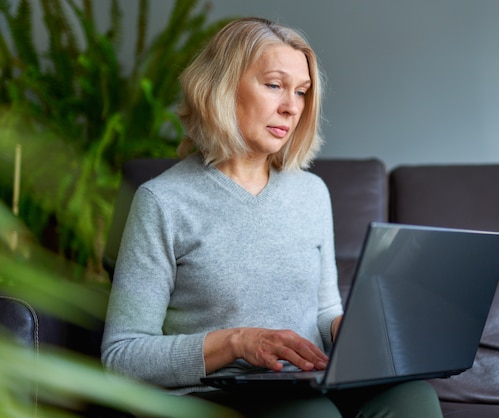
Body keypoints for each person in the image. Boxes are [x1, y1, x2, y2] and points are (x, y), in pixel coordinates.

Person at [101, 17, 443, 418]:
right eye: (274, 85)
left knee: (413, 399)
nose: (291, 106)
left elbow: (323, 311)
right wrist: (237, 342)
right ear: (222, 87)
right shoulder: (162, 201)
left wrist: (350, 333)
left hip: (302, 383)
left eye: (301, 92)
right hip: (210, 393)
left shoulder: (311, 193)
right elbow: (121, 356)